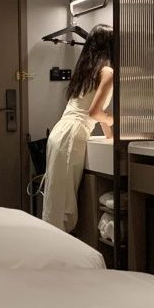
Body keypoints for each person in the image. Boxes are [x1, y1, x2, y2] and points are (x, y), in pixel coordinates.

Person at [41, 23, 114, 232]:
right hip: (72, 135)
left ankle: (51, 246)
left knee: (55, 199)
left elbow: (95, 110)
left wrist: (110, 133)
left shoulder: (86, 70)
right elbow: (95, 112)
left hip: (61, 131)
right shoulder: (107, 72)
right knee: (63, 204)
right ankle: (58, 249)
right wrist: (113, 121)